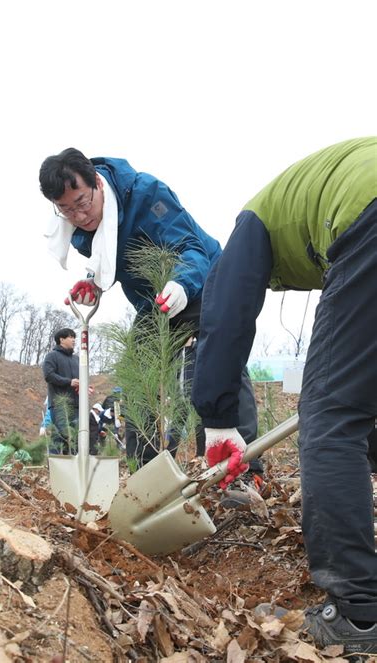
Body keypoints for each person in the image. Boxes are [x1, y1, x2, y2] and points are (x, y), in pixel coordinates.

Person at [191, 137, 377, 652]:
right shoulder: (299, 205)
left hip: (370, 210)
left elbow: (226, 320)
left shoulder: (248, 230)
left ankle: (358, 614)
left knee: (329, 415)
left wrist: (219, 420)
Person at [39, 148, 258, 469]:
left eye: (83, 203)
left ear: (98, 183)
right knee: (138, 378)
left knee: (214, 367)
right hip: (154, 303)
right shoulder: (74, 223)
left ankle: (238, 468)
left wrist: (181, 285)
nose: (80, 217)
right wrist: (95, 283)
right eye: (67, 210)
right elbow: (109, 259)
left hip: (204, 280)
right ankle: (148, 475)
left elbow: (190, 246)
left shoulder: (146, 195)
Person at [42, 328, 80, 454]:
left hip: (77, 406)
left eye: (74, 337)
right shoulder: (52, 356)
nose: (74, 340)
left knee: (76, 438)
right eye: (70, 337)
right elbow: (49, 375)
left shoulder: (77, 359)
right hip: (60, 404)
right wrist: (69, 382)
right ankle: (55, 467)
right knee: (60, 436)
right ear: (61, 339)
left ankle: (74, 469)